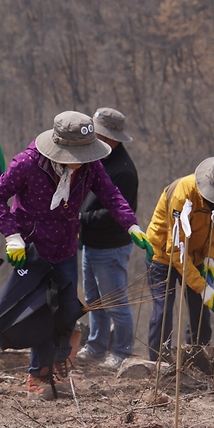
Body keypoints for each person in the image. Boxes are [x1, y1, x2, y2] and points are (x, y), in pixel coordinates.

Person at [0, 111, 152, 400]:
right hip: (32, 250)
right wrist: (12, 237)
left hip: (65, 247)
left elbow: (112, 195)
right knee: (40, 312)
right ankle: (37, 374)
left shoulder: (90, 167)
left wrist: (132, 224)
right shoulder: (26, 163)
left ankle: (57, 367)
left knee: (65, 311)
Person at [146, 154, 214, 361]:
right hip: (163, 255)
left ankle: (199, 358)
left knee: (201, 312)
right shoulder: (183, 194)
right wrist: (202, 287)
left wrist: (209, 260)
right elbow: (175, 250)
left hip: (196, 257)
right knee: (163, 311)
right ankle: (158, 363)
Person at [76, 108, 139, 369]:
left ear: (111, 138)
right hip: (91, 243)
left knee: (115, 302)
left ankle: (122, 353)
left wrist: (81, 219)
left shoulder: (123, 171)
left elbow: (116, 213)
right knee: (93, 300)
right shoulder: (99, 159)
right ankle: (95, 346)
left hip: (110, 246)